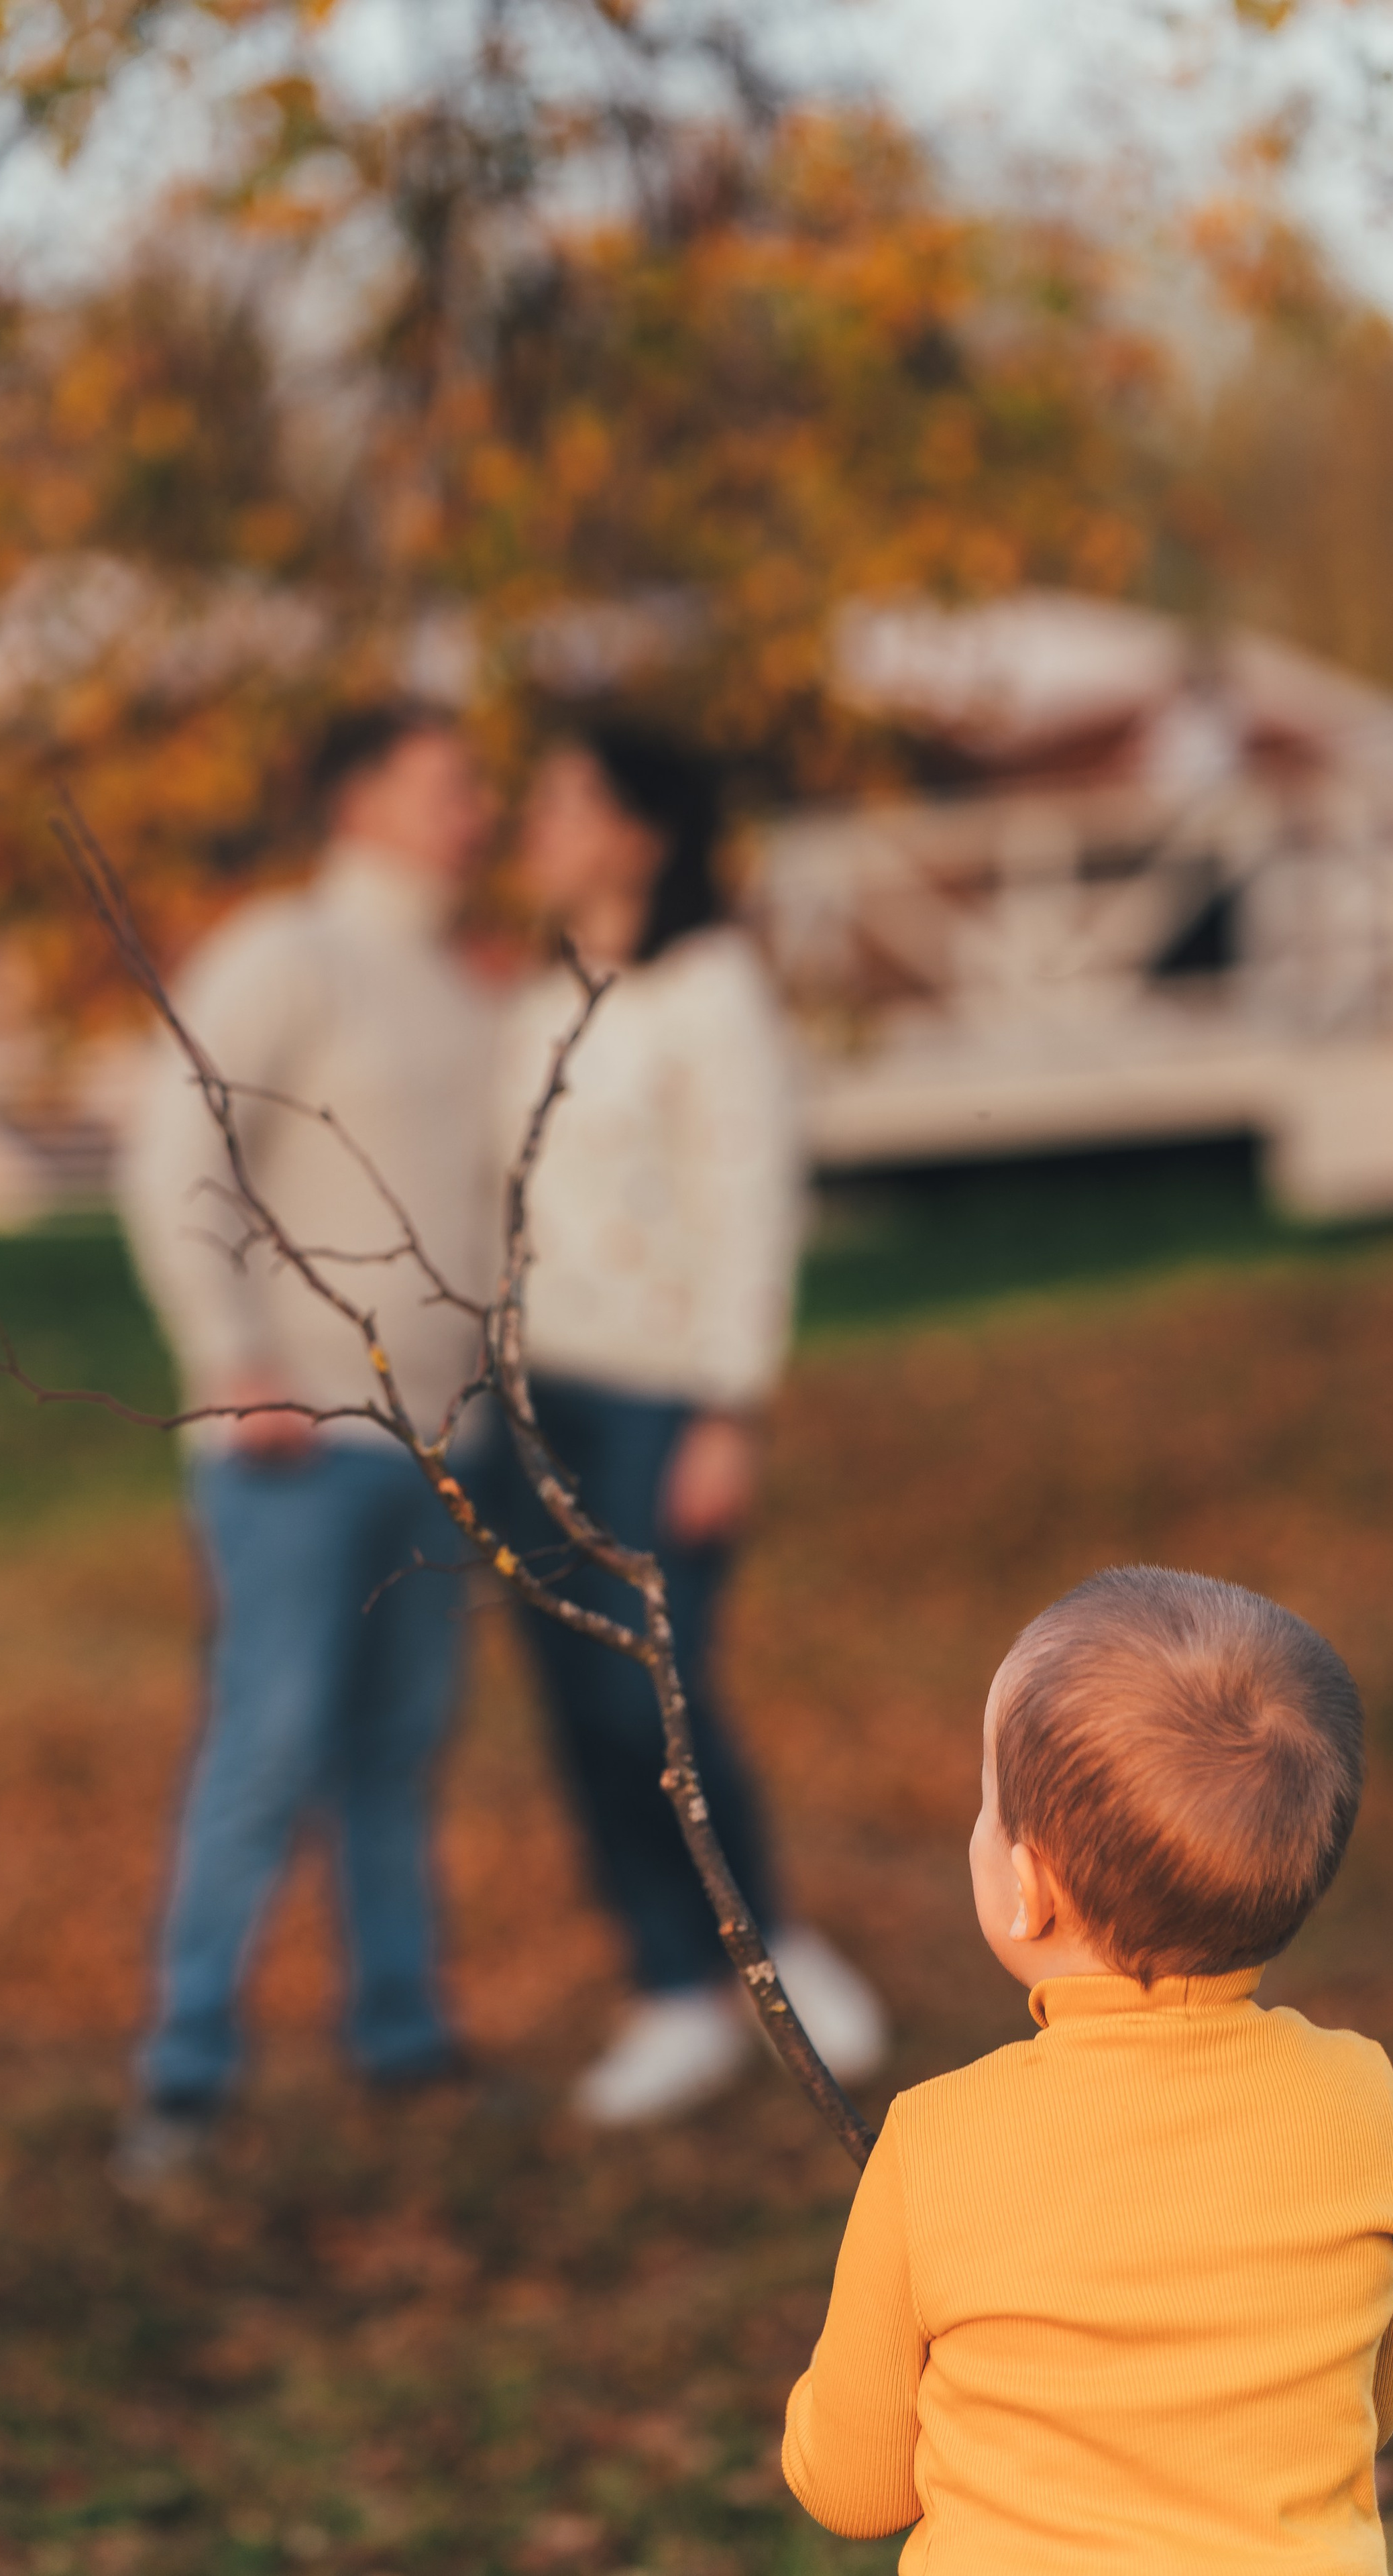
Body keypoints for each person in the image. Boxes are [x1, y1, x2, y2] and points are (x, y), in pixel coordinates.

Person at [784, 1566, 1393, 2573]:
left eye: (988, 1803)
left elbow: (856, 2488)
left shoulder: (935, 2136)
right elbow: (1368, 2406)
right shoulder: (1356, 2097)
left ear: (1028, 1892)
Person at [114, 702, 500, 2186]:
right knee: (267, 1748)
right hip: (293, 1440)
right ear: (360, 803)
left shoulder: (462, 991)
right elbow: (173, 1147)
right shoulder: (289, 952)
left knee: (397, 1755)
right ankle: (185, 2073)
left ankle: (402, 2044)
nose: (475, 806)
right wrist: (229, 1355)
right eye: (447, 781)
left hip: (438, 1449)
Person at [489, 718, 887, 2127]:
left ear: (640, 832)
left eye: (558, 799)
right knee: (568, 1709)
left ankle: (771, 1943)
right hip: (532, 1402)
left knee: (648, 1691)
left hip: (661, 1400)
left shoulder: (712, 993)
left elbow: (747, 1209)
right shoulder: (538, 1001)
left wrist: (732, 1408)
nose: (532, 824)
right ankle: (669, 1989)